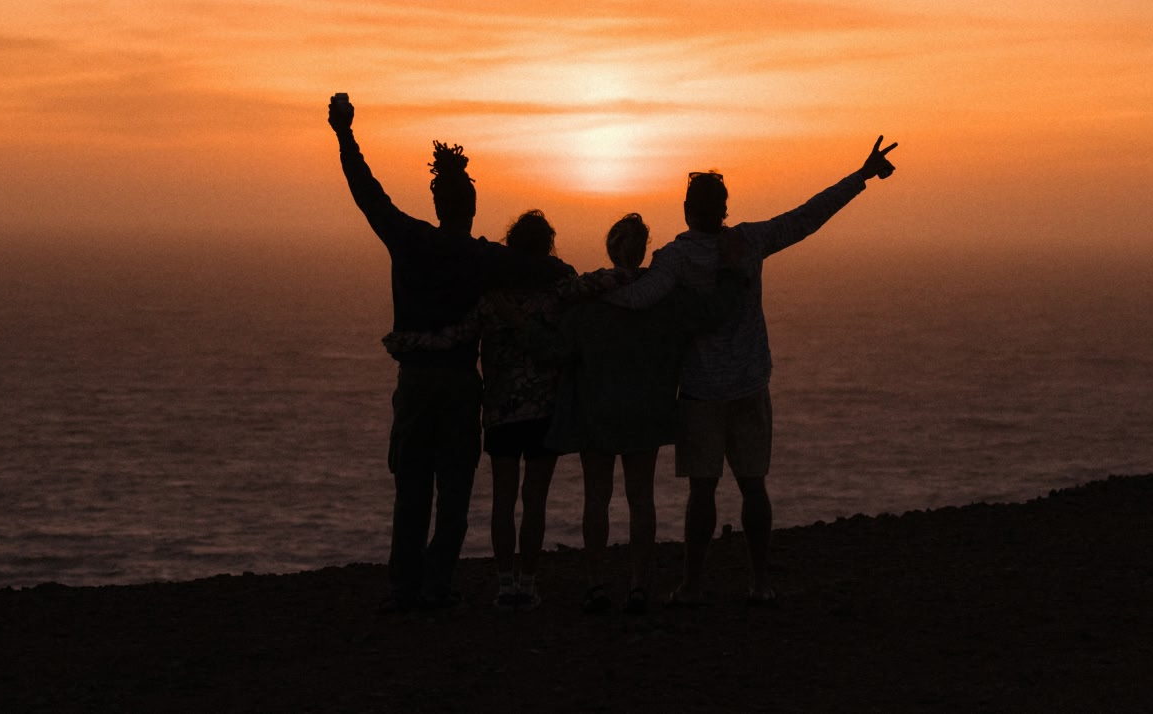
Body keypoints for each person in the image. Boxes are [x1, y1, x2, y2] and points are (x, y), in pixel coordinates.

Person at [601, 137, 899, 606]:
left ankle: (692, 586)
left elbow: (639, 299)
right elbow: (806, 217)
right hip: (749, 383)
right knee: (753, 486)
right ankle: (760, 583)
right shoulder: (748, 241)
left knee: (702, 491)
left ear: (686, 210)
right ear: (724, 209)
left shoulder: (674, 258)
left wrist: (589, 289)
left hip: (701, 391)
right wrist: (860, 176)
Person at [330, 93, 573, 613]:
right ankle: (438, 584)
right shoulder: (482, 257)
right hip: (461, 384)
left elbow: (367, 193)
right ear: (472, 208)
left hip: (416, 383)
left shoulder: (408, 239)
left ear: (438, 205)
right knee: (454, 490)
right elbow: (547, 270)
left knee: (411, 488)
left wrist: (345, 134)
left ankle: (404, 587)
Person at [382, 210, 629, 612]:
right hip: (543, 413)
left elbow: (454, 337)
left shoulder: (491, 301)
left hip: (500, 414)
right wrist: (642, 272)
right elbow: (602, 281)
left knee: (503, 500)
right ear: (547, 247)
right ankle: (528, 584)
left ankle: (504, 584)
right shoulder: (558, 292)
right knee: (535, 501)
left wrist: (408, 343)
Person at [548, 214, 749, 614]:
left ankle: (595, 584)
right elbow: (712, 312)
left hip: (596, 411)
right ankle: (639, 585)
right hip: (646, 412)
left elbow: (555, 348)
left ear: (611, 248)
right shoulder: (663, 299)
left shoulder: (587, 301)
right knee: (641, 498)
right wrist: (732, 272)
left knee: (596, 497)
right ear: (643, 251)